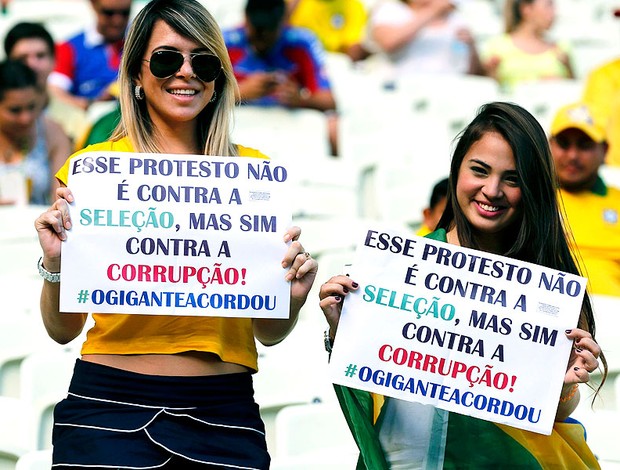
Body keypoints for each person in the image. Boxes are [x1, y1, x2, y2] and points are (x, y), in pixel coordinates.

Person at [33, 0, 317, 468]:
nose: (185, 73)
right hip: (108, 404)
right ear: (137, 74)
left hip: (225, 409)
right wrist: (56, 266)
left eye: (202, 62)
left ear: (219, 78)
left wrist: (292, 296)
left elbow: (269, 332)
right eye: (166, 59)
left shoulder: (256, 177)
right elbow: (61, 330)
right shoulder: (92, 172)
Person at [319, 101, 607, 469]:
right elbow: (367, 394)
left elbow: (555, 412)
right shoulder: (399, 269)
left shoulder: (548, 289)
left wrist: (564, 384)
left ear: (532, 187)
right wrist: (341, 331)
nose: (492, 190)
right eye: (480, 170)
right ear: (457, 172)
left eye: (513, 179)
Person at [223, 0, 339, 155]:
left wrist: (300, 99)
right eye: (256, 33)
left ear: (283, 22)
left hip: (288, 126)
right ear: (246, 19)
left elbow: (330, 101)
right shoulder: (225, 42)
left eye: (268, 34)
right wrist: (241, 93)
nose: (261, 40)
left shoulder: (302, 42)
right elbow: (201, 98)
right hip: (238, 124)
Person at [548, 102, 620, 297]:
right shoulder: (528, 197)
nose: (572, 155)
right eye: (563, 143)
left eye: (584, 145)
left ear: (605, 150)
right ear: (549, 145)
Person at [0, 60, 71, 205]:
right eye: (15, 110)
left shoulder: (52, 133)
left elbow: (61, 200)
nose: (26, 118)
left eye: (32, 107)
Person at [3, 21, 88, 143]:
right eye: (22, 58)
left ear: (54, 60)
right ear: (9, 63)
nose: (32, 65)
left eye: (40, 55)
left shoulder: (75, 118)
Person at [47, 0, 132, 111]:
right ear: (93, 5)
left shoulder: (143, 41)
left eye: (125, 13)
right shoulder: (69, 48)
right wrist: (94, 104)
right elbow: (54, 93)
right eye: (109, 13)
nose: (118, 21)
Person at [368, 0, 484, 78]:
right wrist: (433, 10)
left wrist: (471, 46)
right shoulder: (391, 10)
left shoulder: (457, 19)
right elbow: (389, 43)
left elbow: (472, 72)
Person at [481, 0, 574, 92]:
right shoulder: (498, 46)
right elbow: (489, 90)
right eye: (548, 5)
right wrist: (491, 73)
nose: (554, 13)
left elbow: (574, 90)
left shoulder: (561, 48)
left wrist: (566, 73)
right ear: (526, 9)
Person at [287, 0, 371, 62]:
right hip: (294, 57)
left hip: (331, 64)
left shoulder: (353, 5)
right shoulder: (297, 2)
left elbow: (351, 45)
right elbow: (282, 27)